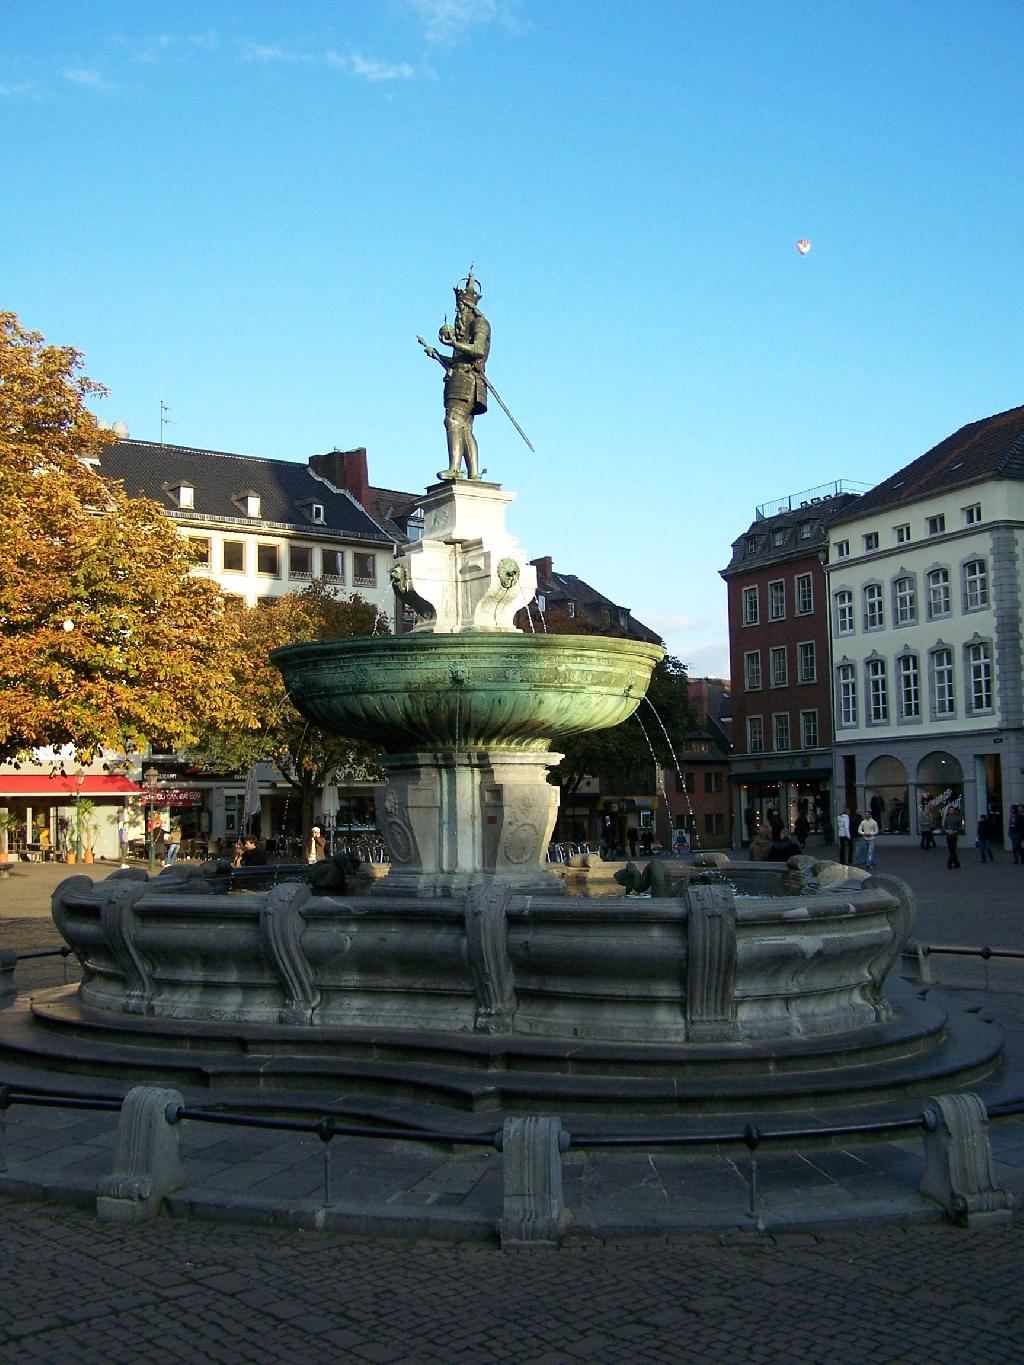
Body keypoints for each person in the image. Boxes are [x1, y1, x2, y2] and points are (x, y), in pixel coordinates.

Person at [421, 272, 491, 482]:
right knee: (465, 427)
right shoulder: (465, 328)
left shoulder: (479, 323)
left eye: (461, 307)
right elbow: (459, 360)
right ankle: (474, 474)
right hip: (460, 377)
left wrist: (452, 344)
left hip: (467, 381)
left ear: (468, 306)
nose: (458, 311)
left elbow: (477, 350)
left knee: (453, 420)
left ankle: (455, 468)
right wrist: (438, 355)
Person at [942, 804, 961, 869]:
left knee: (953, 849)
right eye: (950, 810)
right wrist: (947, 831)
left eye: (952, 810)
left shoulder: (957, 818)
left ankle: (949, 863)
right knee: (951, 850)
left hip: (954, 835)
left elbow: (959, 828)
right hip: (948, 835)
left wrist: (954, 831)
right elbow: (944, 827)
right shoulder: (947, 818)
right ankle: (957, 863)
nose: (951, 811)